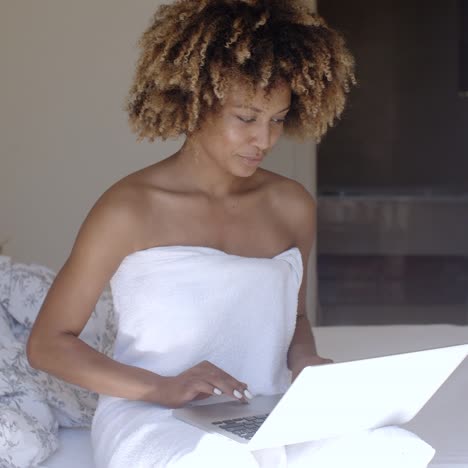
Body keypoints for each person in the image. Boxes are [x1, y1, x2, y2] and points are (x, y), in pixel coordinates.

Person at [26, 0, 358, 466]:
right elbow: (48, 343)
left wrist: (304, 363)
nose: (264, 140)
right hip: (155, 416)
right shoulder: (129, 208)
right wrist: (159, 387)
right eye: (246, 118)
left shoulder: (292, 205)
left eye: (278, 119)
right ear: (197, 101)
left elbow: (294, 320)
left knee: (389, 451)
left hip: (266, 410)